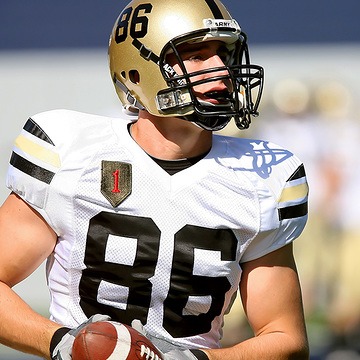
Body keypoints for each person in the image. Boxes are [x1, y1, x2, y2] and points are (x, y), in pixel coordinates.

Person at [0, 0, 310, 359]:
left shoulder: (262, 178)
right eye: (196, 55)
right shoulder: (71, 151)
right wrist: (62, 342)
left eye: (223, 54)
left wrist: (194, 359)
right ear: (136, 73)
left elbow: (285, 336)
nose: (222, 71)